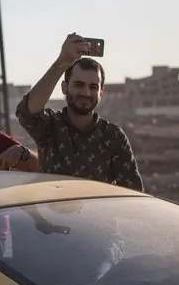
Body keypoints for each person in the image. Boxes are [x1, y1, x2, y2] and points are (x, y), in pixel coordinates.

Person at [15, 33, 144, 191]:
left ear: (101, 93)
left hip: (97, 215)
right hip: (55, 214)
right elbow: (27, 113)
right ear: (64, 87)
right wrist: (62, 62)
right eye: (78, 85)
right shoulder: (51, 127)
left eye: (93, 87)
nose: (86, 93)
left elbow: (133, 194)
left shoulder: (113, 136)